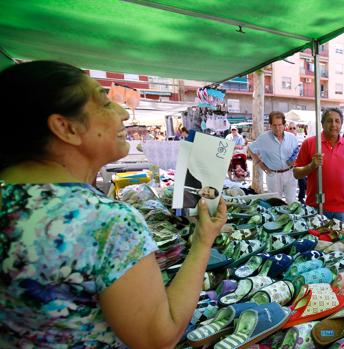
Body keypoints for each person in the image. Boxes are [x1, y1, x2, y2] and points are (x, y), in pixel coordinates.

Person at [0, 61, 227, 348]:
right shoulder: (103, 221)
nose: (122, 113)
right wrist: (203, 242)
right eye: (105, 103)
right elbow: (159, 337)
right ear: (65, 127)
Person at [294, 108, 344, 226]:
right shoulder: (310, 143)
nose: (334, 124)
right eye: (329, 121)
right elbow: (296, 173)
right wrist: (311, 166)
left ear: (341, 124)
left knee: (341, 243)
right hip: (316, 207)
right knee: (317, 243)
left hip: (342, 209)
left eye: (337, 121)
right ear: (322, 124)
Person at [248, 111, 299, 203]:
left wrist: (294, 160)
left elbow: (296, 152)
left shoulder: (292, 137)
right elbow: (250, 149)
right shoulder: (264, 138)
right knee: (275, 203)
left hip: (290, 173)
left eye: (280, 125)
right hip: (273, 175)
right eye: (274, 125)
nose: (277, 128)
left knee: (292, 202)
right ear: (270, 125)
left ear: (284, 125)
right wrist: (260, 164)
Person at [288, 122, 307, 203]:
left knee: (302, 183)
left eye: (294, 128)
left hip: (299, 165)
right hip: (288, 167)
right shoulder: (286, 140)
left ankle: (301, 198)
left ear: (297, 130)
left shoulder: (301, 139)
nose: (292, 130)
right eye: (290, 128)